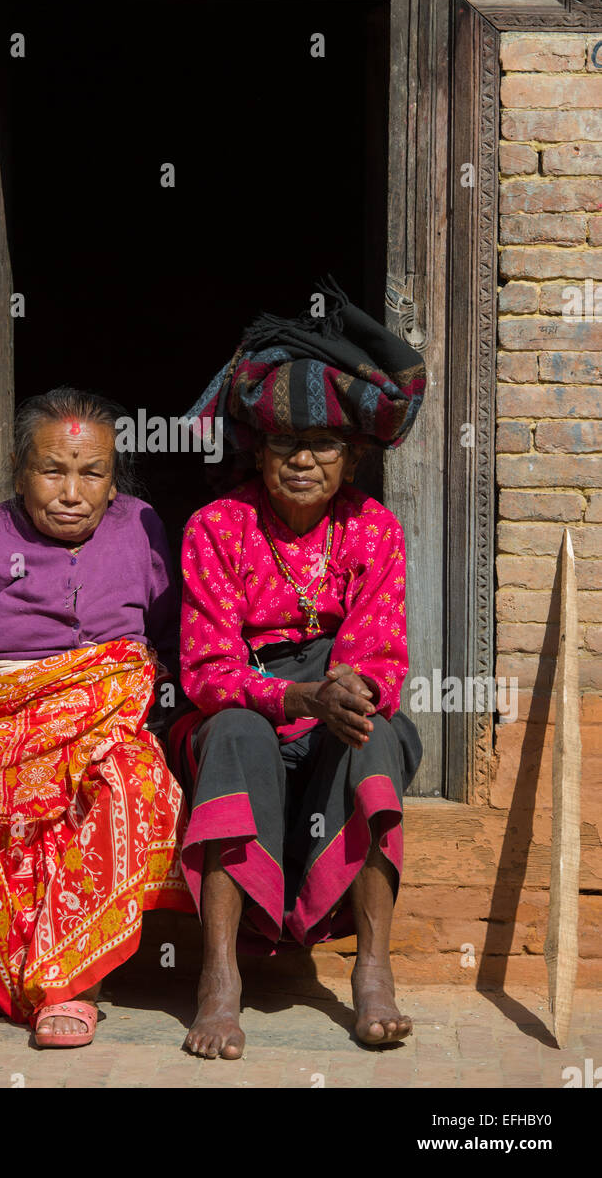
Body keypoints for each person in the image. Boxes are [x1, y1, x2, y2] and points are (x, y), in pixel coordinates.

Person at [168, 278, 426, 1059]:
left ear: (349, 459)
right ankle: (218, 981)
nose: (303, 460)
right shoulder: (217, 527)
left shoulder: (372, 529)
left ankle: (371, 974)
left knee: (374, 736)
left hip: (337, 691)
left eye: (322, 446)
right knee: (238, 734)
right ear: (260, 451)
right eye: (285, 445)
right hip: (248, 699)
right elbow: (206, 668)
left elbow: (380, 649)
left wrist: (347, 692)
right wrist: (295, 695)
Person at [0, 387, 193, 1046]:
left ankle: (72, 985)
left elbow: (174, 635)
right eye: (52, 470)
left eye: (91, 473)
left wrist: (146, 677)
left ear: (113, 482)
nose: (70, 491)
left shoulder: (142, 528)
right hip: (1, 709)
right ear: (19, 470)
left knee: (127, 786)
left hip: (104, 713)